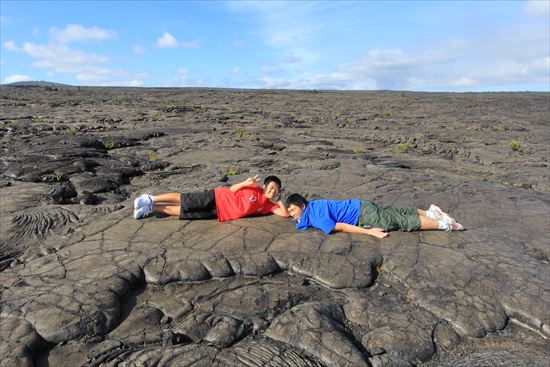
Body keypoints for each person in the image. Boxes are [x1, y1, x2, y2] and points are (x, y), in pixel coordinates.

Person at [285, 193, 464, 239]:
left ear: (302, 205)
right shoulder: (314, 205)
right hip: (361, 204)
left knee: (399, 221)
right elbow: (300, 220)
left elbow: (341, 226)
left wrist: (370, 232)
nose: (292, 214)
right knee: (395, 212)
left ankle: (445, 225)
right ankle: (432, 212)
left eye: (293, 210)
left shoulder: (315, 216)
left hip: (362, 214)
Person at [133, 175, 289, 221]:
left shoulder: (268, 206)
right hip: (217, 197)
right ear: (265, 186)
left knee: (184, 213)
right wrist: (245, 182)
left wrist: (278, 199)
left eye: (276, 189)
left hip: (220, 213)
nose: (273, 190)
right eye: (271, 187)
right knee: (186, 200)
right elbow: (232, 189)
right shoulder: (254, 187)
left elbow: (285, 214)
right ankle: (151, 198)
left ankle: (150, 208)